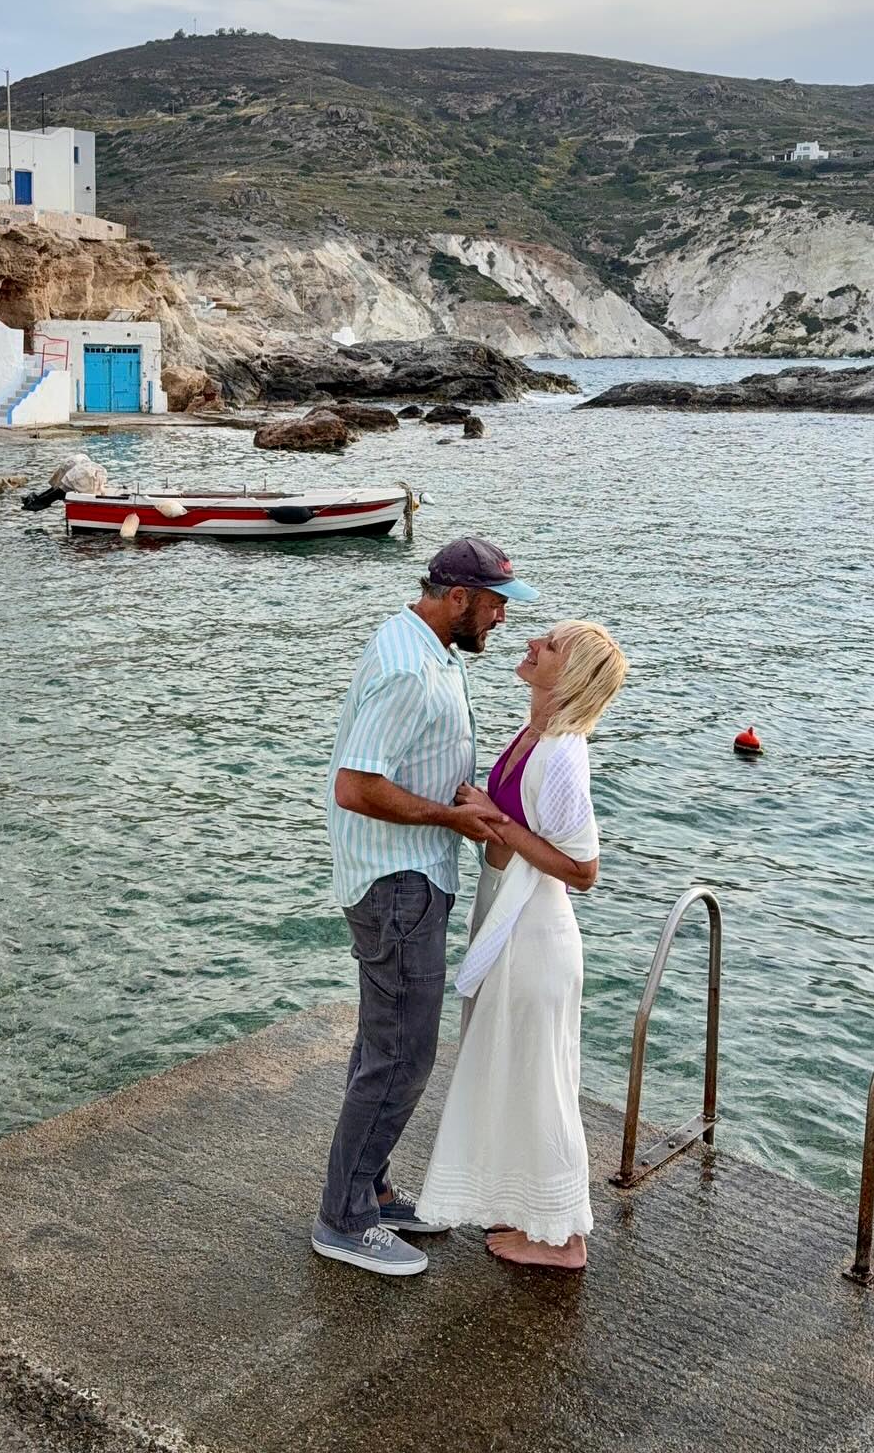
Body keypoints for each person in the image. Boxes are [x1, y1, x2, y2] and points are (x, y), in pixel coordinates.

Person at [311, 537, 540, 1279]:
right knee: (402, 1055)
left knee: (385, 1045)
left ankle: (368, 1190)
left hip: (406, 874)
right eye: (498, 603)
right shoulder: (413, 668)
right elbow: (356, 785)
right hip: (397, 881)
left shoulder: (422, 642)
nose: (504, 618)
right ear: (459, 597)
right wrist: (453, 820)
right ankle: (343, 1219)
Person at [415, 621, 629, 1269]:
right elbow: (513, 837)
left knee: (541, 1084)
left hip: (536, 934)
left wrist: (493, 815)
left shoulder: (562, 753)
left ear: (569, 676)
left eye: (552, 646)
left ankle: (564, 1240)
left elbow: (584, 869)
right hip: (508, 919)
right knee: (517, 1076)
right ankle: (532, 1213)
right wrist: (487, 817)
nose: (533, 644)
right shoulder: (533, 736)